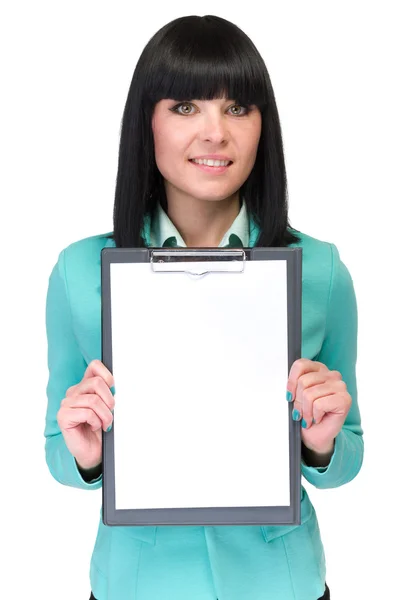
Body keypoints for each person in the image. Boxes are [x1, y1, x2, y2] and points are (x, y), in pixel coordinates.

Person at [44, 14, 363, 600]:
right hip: (138, 584)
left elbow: (348, 459)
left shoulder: (319, 270)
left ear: (264, 125)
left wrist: (320, 442)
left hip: (280, 582)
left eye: (238, 108)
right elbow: (57, 455)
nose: (216, 132)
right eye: (186, 106)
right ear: (148, 123)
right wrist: (86, 456)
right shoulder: (78, 271)